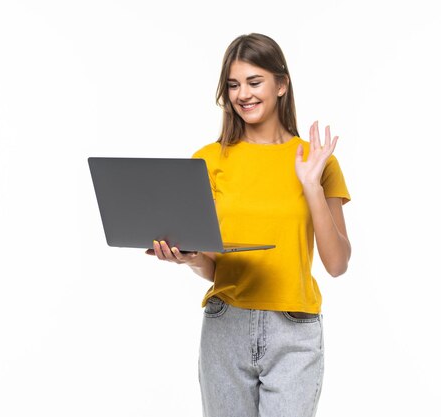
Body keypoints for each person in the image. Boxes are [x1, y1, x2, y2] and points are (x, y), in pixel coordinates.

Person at [145, 33, 351, 417]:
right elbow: (213, 267)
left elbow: (337, 264)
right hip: (226, 325)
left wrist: (311, 186)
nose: (243, 94)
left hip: (295, 329)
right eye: (234, 85)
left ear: (281, 84)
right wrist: (188, 258)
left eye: (254, 82)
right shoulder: (208, 160)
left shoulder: (317, 162)